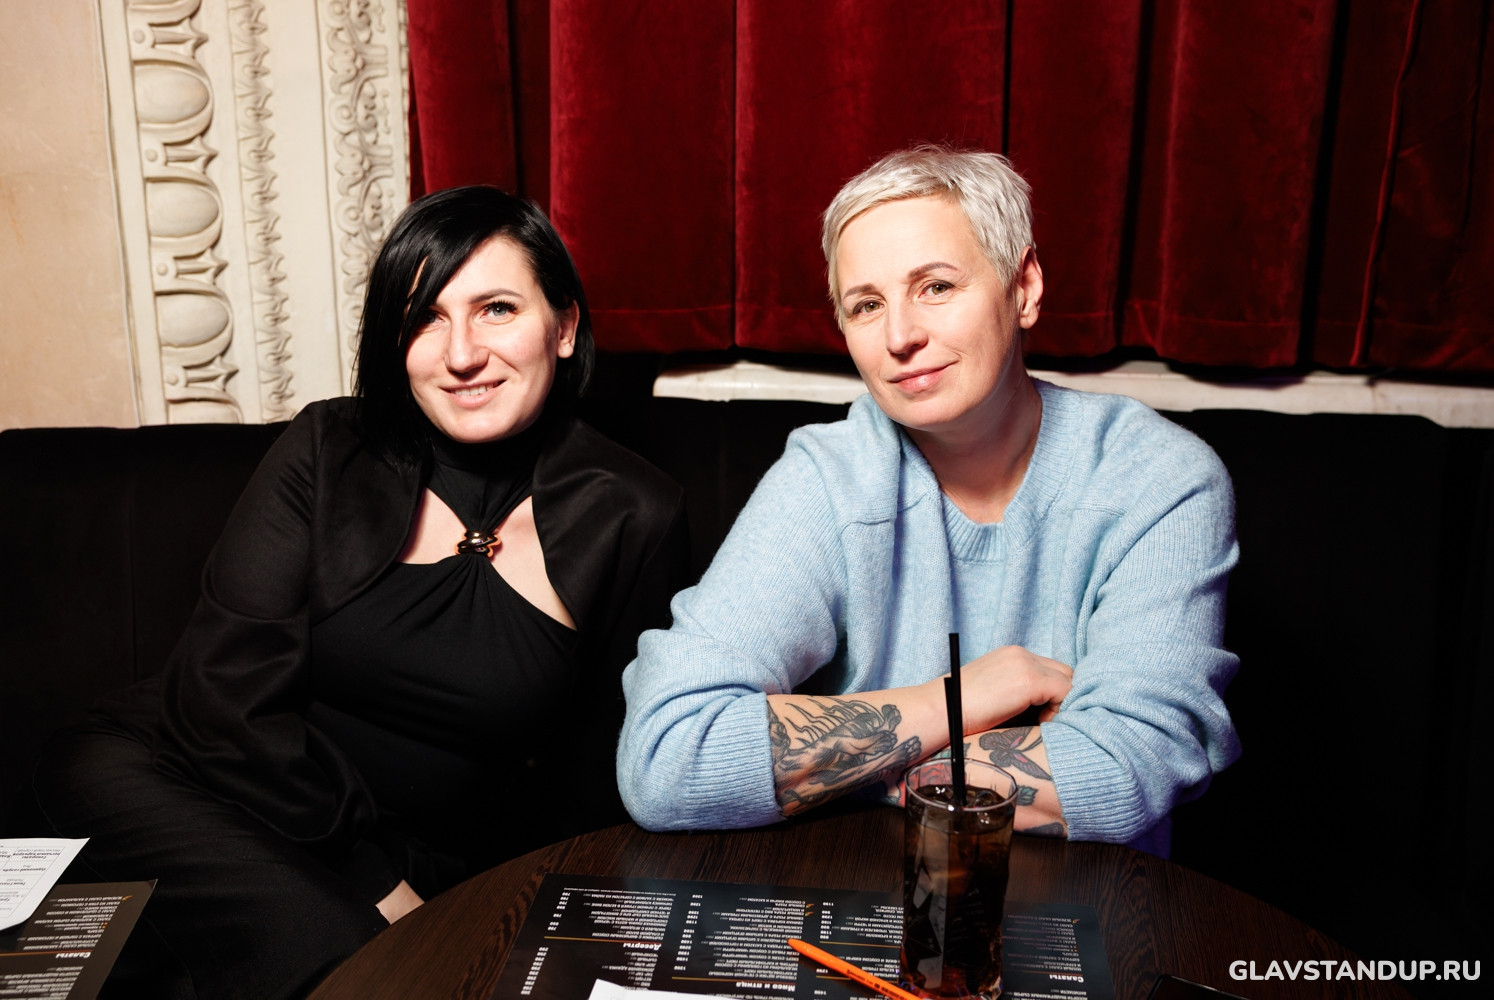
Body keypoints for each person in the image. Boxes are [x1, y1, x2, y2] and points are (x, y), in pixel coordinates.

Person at [20, 186, 687, 999]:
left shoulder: (634, 511)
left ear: (565, 326)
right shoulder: (328, 449)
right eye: (424, 318)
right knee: (357, 959)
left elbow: (606, 772)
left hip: (423, 856)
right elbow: (222, 697)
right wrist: (375, 882)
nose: (462, 353)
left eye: (497, 309)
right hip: (184, 775)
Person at [616, 147, 1239, 851]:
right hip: (865, 890)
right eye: (867, 304)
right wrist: (965, 696)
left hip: (1089, 902)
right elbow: (666, 756)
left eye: (936, 287)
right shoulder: (828, 477)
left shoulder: (1160, 480)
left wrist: (837, 766)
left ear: (1024, 287)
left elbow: (1127, 768)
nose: (900, 337)